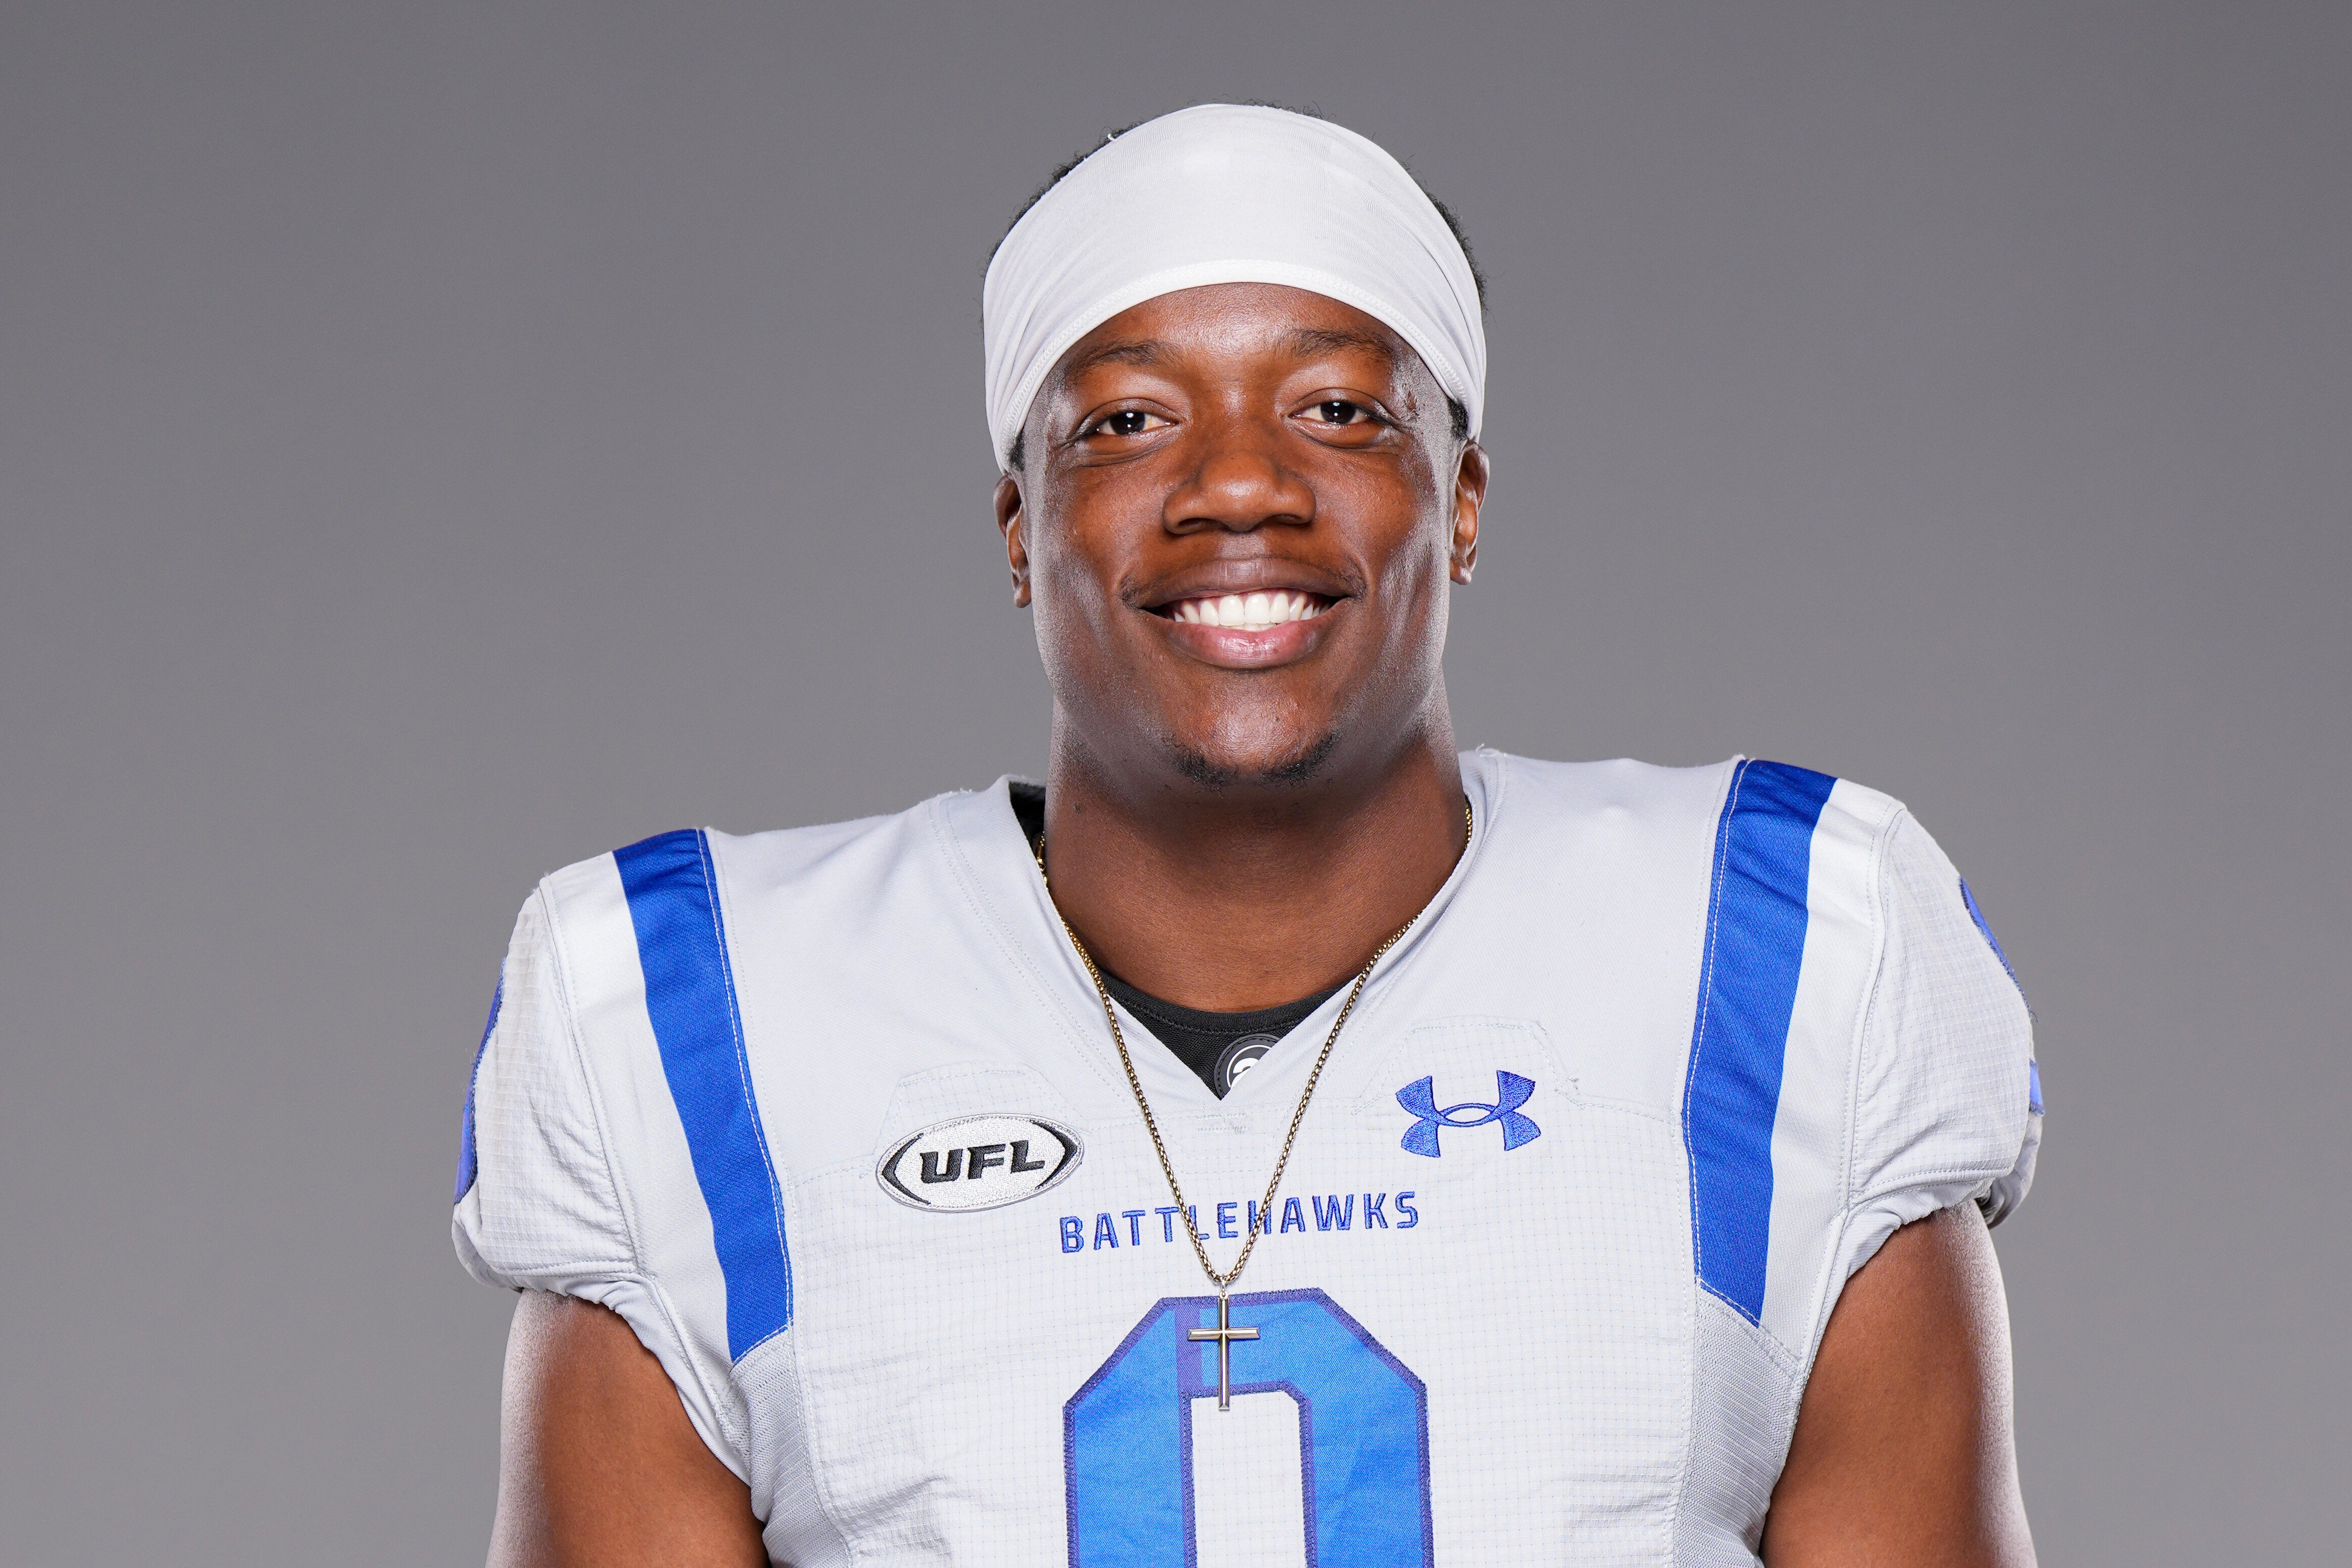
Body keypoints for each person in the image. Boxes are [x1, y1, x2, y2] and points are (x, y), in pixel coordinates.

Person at [452, 103, 2042, 1566]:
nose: (1236, 485)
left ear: (1459, 499)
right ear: (1020, 528)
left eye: (1337, 409)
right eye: (1126, 421)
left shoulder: (1779, 948)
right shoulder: (693, 1014)